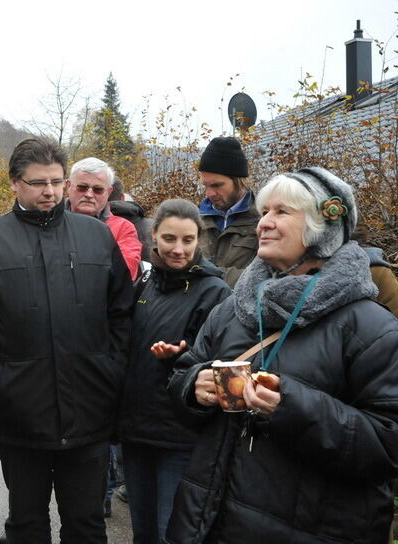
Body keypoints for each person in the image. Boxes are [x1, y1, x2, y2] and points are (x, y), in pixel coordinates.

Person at [166, 167, 398, 543]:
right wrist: (195, 385)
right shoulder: (234, 308)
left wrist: (290, 407)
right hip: (207, 523)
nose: (264, 224)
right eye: (264, 212)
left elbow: (388, 447)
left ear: (323, 228)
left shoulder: (371, 328)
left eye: (281, 212)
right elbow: (183, 374)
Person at [0, 138, 133, 543]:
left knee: (86, 525)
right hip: (19, 414)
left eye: (57, 182)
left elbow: (122, 314)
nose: (49, 191)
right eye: (37, 182)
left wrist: (108, 369)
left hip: (88, 410)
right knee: (26, 524)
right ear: (14, 183)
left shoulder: (97, 237)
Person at [116, 199, 231, 544]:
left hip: (180, 437)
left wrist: (180, 360)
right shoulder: (146, 285)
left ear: (200, 241)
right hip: (137, 432)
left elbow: (219, 361)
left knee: (173, 534)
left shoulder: (216, 292)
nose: (178, 249)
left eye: (188, 240)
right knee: (143, 533)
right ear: (153, 236)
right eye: (169, 239)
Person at [65, 157, 142, 280]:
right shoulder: (48, 220)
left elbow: (124, 275)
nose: (89, 195)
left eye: (98, 190)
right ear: (68, 186)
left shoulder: (123, 229)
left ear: (109, 192)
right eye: (82, 187)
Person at [197, 136, 258, 287]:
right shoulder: (195, 220)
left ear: (239, 181)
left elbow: (262, 277)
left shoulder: (263, 220)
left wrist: (202, 277)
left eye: (217, 185)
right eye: (206, 185)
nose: (209, 194)